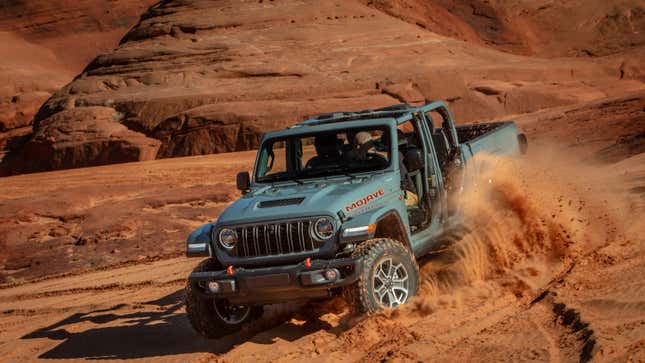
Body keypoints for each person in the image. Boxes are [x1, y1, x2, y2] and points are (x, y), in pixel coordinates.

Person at [354, 131, 419, 207]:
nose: (357, 148)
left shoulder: (392, 156)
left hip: (402, 192)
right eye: (355, 145)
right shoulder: (356, 163)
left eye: (360, 145)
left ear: (370, 143)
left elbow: (402, 181)